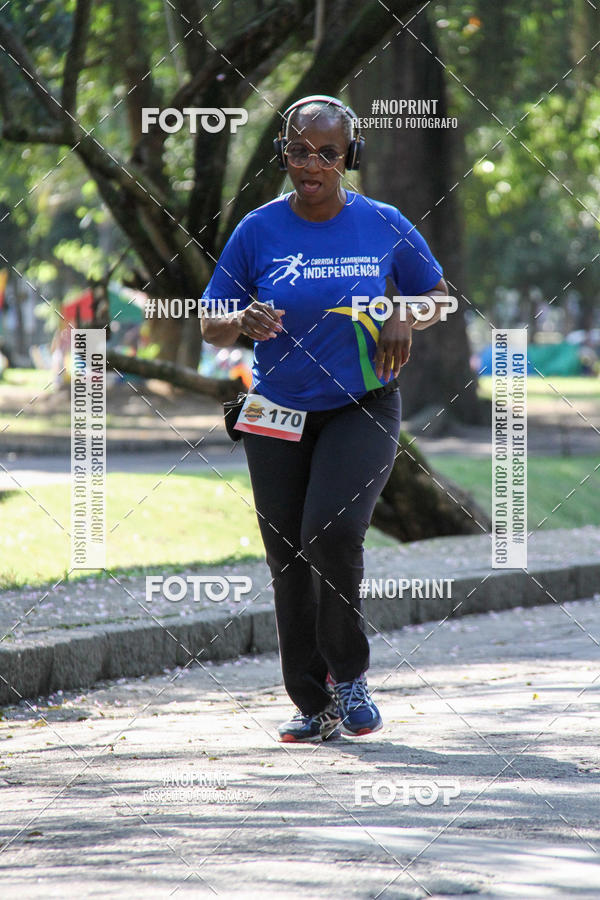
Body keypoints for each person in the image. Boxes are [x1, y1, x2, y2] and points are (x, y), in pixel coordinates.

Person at [201, 95, 450, 742]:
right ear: (282, 153)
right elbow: (209, 320)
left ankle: (351, 676)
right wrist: (240, 323)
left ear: (350, 158)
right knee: (287, 558)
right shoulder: (257, 229)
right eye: (297, 150)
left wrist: (405, 313)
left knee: (329, 534)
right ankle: (312, 704)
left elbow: (437, 297)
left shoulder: (384, 223)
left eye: (326, 153)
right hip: (276, 412)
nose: (310, 164)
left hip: (362, 404)